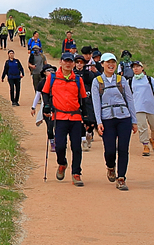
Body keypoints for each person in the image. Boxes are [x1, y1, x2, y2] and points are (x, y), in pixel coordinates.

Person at [44, 52, 93, 186]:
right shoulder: (52, 77)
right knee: (60, 145)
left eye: (70, 61)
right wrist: (47, 106)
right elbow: (45, 92)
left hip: (75, 117)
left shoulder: (77, 80)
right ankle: (62, 163)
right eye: (65, 61)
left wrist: (86, 116)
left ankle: (76, 173)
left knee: (76, 147)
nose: (68, 63)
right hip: (59, 116)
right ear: (60, 62)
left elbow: (83, 99)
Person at [92, 54, 136, 189]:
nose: (111, 65)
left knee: (123, 149)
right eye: (108, 62)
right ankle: (110, 166)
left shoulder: (122, 80)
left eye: (113, 62)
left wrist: (134, 121)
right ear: (102, 64)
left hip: (124, 118)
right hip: (107, 119)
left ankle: (121, 177)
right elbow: (96, 103)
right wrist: (98, 122)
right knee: (110, 150)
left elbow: (130, 100)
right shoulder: (97, 81)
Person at [127, 60, 154, 155]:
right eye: (134, 67)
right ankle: (145, 145)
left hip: (151, 106)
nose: (135, 68)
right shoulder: (130, 81)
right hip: (137, 107)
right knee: (142, 127)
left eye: (137, 66)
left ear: (142, 68)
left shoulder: (149, 79)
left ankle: (153, 140)